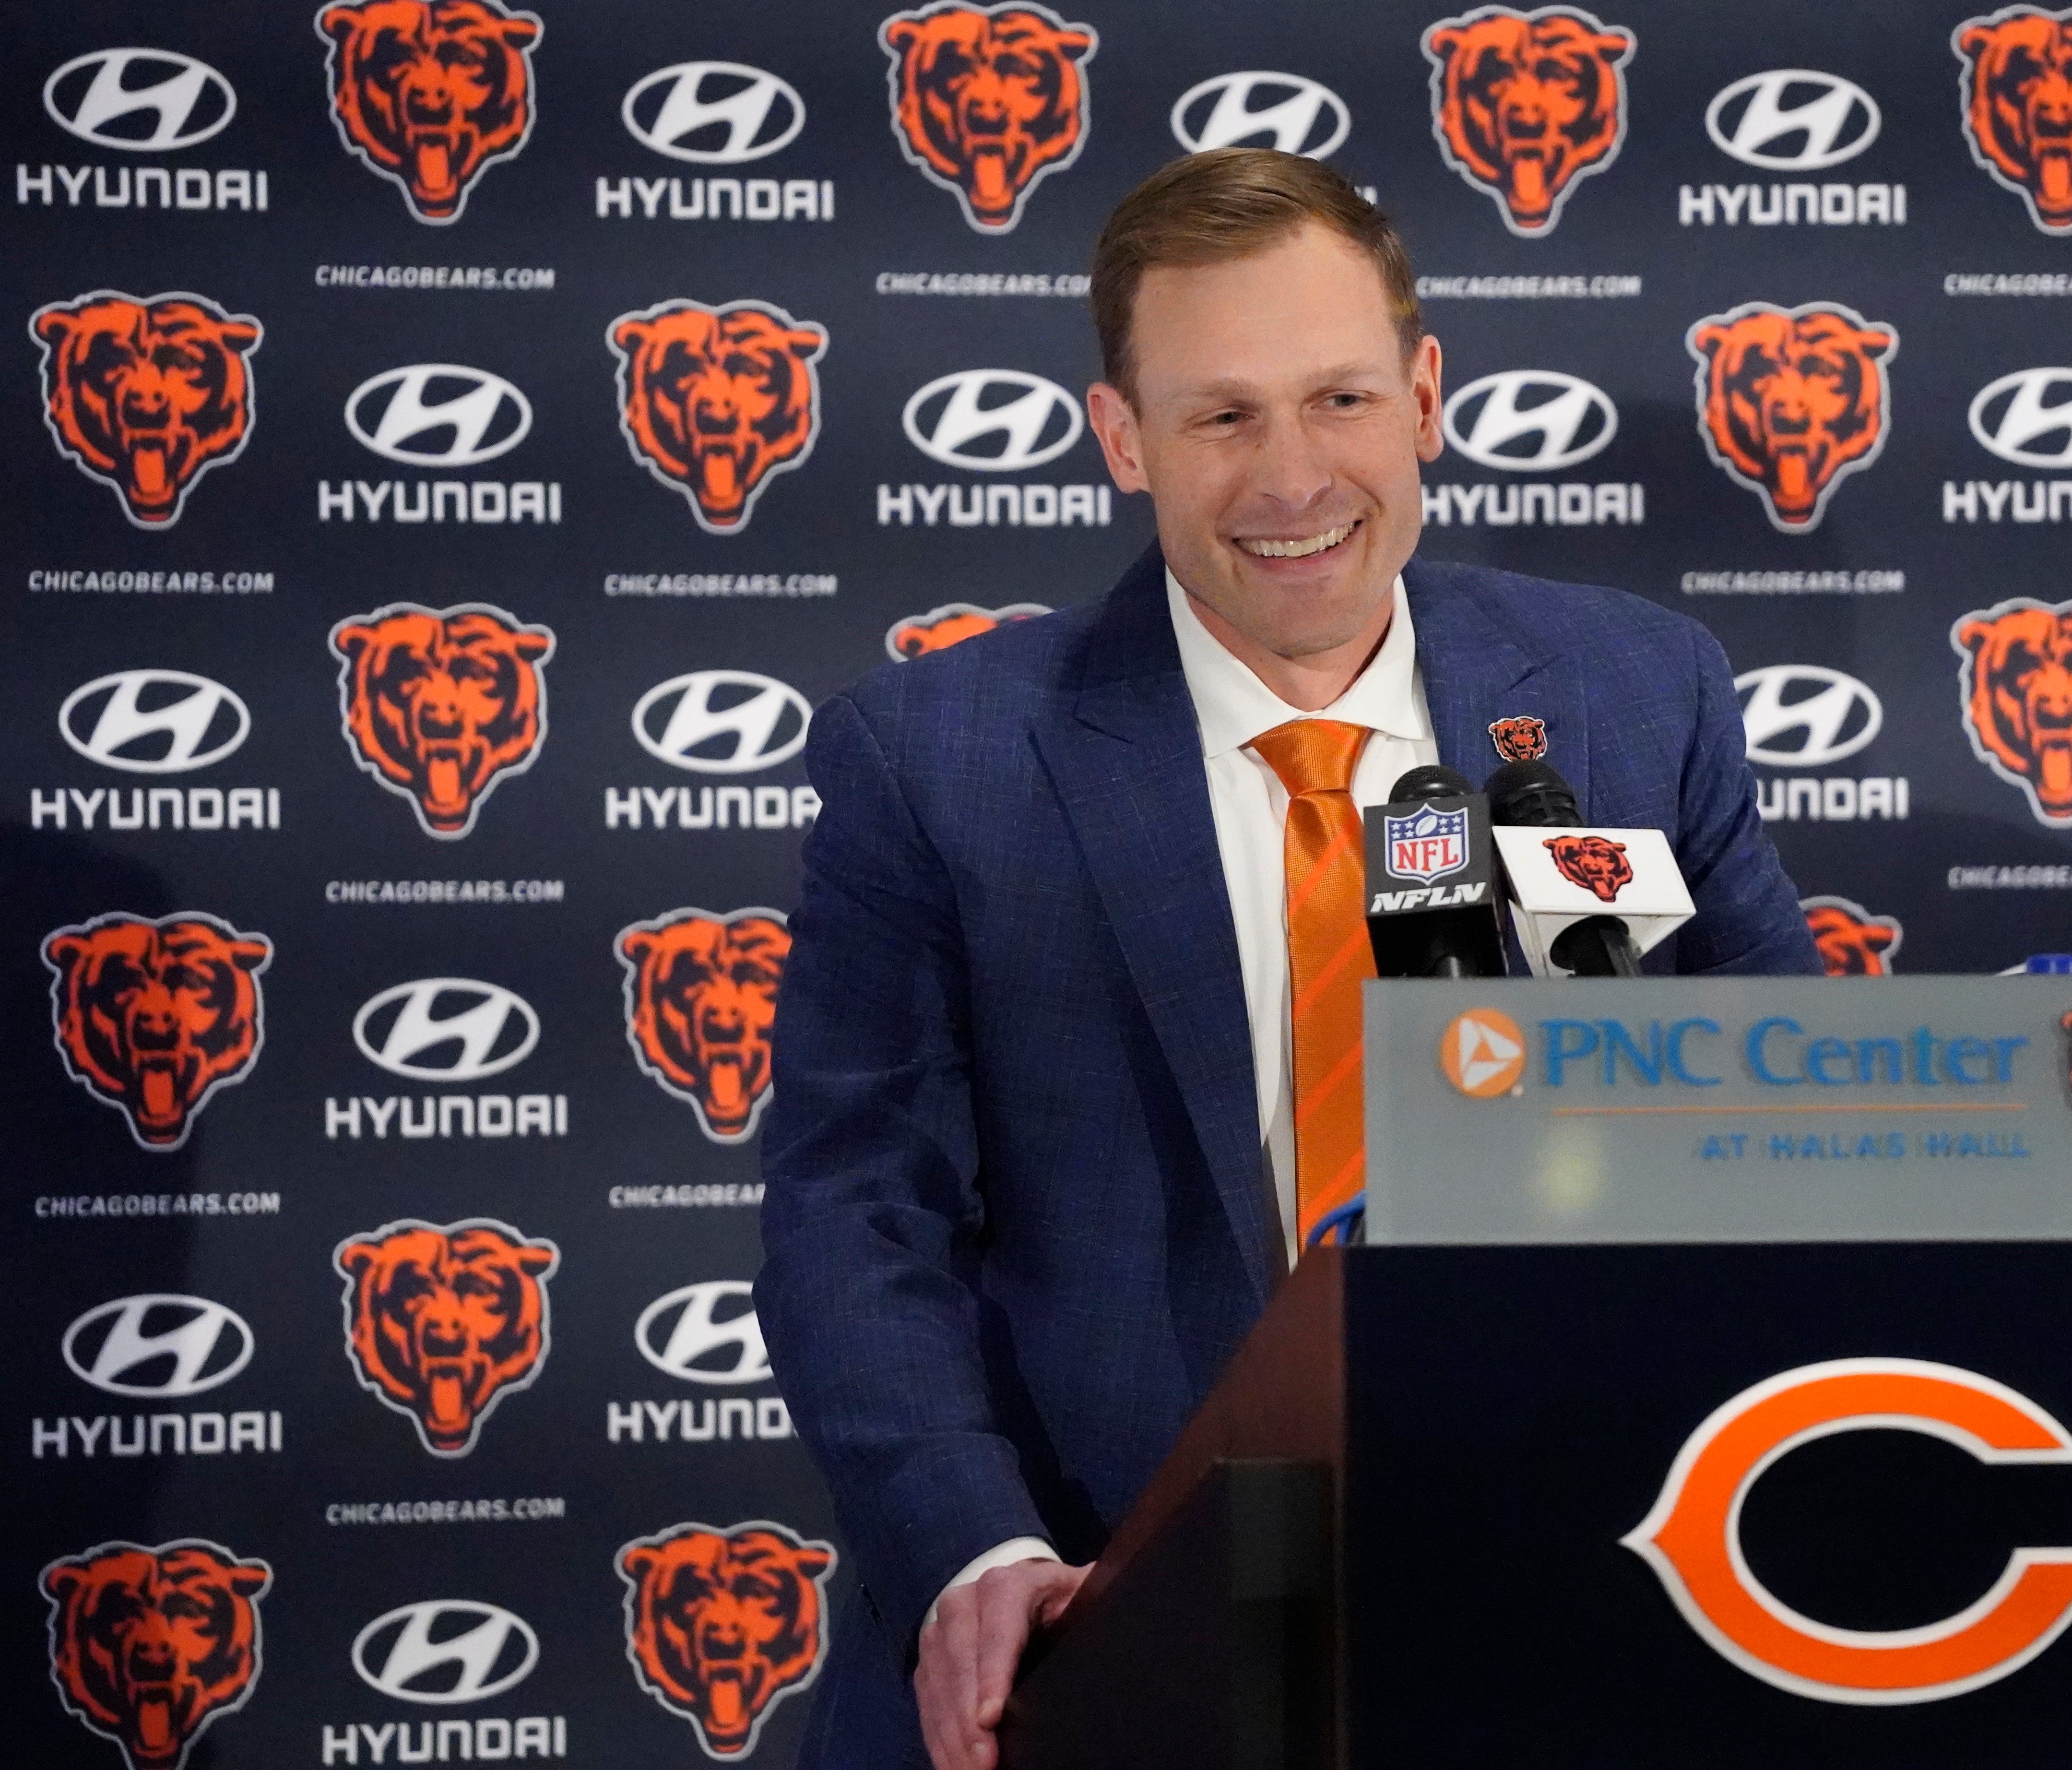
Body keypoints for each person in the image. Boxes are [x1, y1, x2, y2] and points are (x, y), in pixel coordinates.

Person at [756, 147, 1820, 1770]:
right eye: (1222, 415)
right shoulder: (939, 760)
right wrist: (979, 1553)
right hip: (1112, 1622)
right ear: (1124, 440)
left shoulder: (1632, 696)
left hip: (1576, 1595)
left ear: (1425, 397)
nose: (1294, 477)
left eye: (1337, 399)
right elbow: (855, 1208)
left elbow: (1789, 1106)